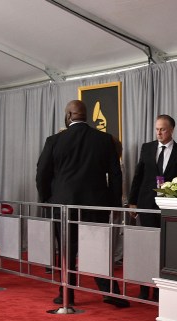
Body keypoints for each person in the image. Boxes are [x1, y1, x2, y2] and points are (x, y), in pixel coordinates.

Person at [36, 99, 128, 308]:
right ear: (85, 116)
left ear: (68, 116)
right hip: (96, 205)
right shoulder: (104, 140)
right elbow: (115, 175)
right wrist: (113, 205)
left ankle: (66, 294)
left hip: (63, 205)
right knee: (98, 249)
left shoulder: (54, 140)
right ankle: (110, 293)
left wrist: (46, 200)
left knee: (67, 250)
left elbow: (42, 173)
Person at [128, 114, 177, 300]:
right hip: (146, 203)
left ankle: (158, 289)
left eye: (162, 129)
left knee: (163, 248)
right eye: (157, 129)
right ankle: (143, 287)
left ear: (171, 130)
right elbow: (138, 175)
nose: (159, 133)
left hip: (168, 207)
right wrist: (133, 202)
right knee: (146, 246)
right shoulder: (147, 148)